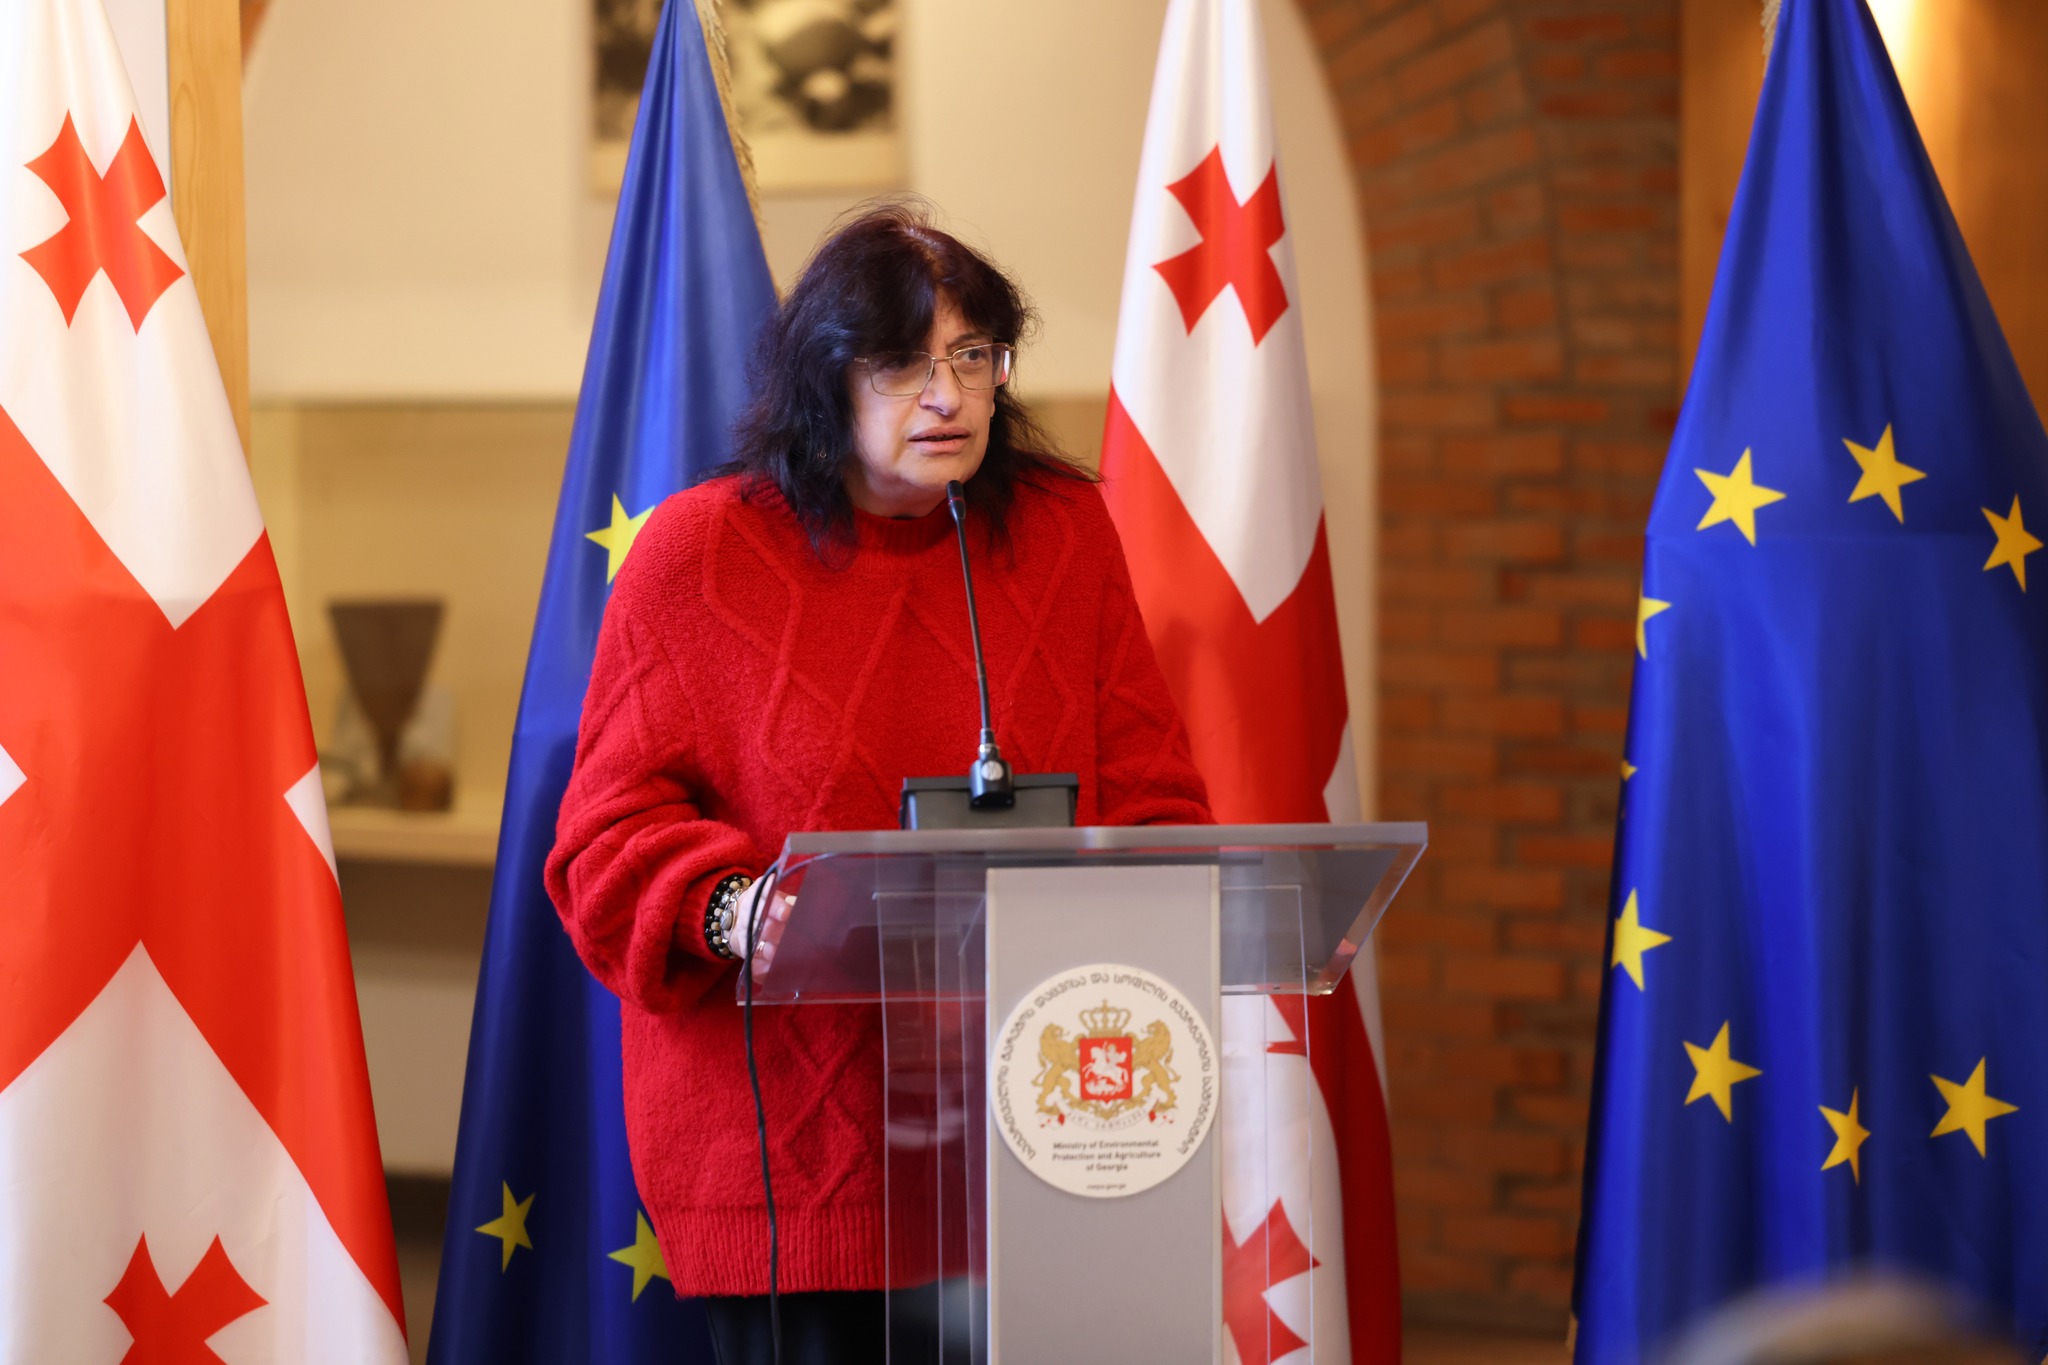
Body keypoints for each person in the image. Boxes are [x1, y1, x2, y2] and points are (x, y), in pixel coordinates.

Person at [545, 202, 1212, 1364]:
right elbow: (603, 844)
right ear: (824, 379)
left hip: (1045, 1135)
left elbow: (1158, 803)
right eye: (903, 364)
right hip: (791, 1162)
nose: (948, 396)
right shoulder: (696, 554)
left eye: (973, 356)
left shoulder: (1064, 536)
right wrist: (740, 909)